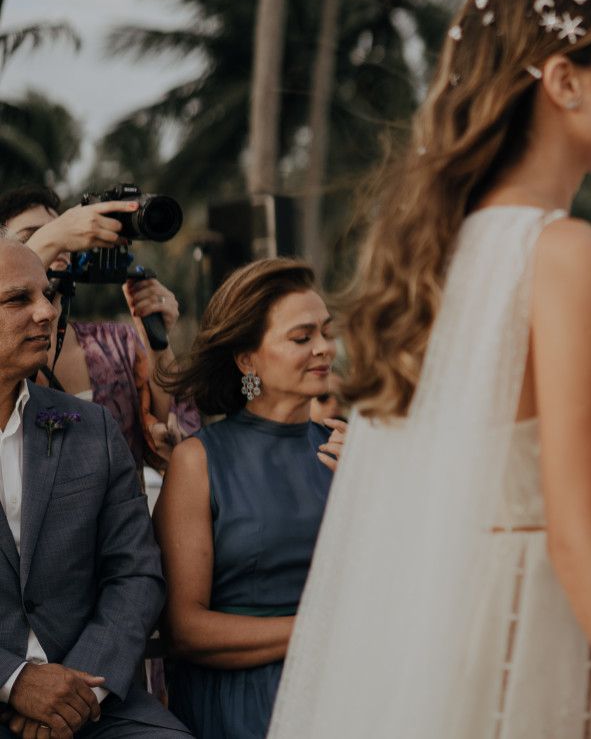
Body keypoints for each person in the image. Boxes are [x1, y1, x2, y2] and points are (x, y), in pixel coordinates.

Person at [268, 0, 591, 738]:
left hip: (446, 639)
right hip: (539, 640)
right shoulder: (565, 254)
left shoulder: (436, 253)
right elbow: (576, 539)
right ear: (563, 80)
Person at [0, 237, 190, 738]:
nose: (46, 312)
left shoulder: (92, 428)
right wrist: (15, 682)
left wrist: (78, 692)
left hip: (95, 701)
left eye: (49, 294)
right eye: (19, 299)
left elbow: (136, 574)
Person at [153, 259, 342, 739]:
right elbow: (184, 629)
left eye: (326, 332)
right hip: (242, 700)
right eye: (302, 338)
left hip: (344, 682)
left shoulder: (351, 450)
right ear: (247, 360)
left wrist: (372, 487)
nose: (324, 349)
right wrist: (318, 631)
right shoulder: (198, 462)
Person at [0, 187, 201, 472]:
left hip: (120, 513)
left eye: (64, 233)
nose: (61, 242)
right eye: (31, 235)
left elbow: (173, 440)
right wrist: (53, 238)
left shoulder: (115, 342)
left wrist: (158, 342)